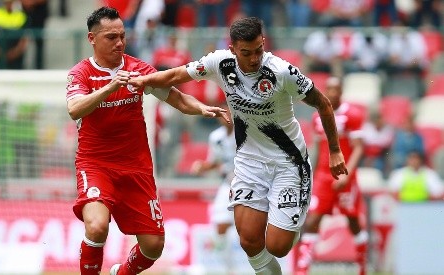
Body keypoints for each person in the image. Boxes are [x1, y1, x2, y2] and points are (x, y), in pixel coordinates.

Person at [129, 16, 348, 274]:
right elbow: (178, 74)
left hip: (288, 165)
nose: (254, 58)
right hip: (249, 163)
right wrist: (145, 80)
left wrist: (334, 150)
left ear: (263, 43)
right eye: (246, 53)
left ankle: (288, 218)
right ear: (232, 49)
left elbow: (323, 103)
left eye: (258, 51)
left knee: (278, 246)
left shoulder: (281, 71)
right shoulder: (219, 63)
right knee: (249, 240)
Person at [65, 7, 228, 275]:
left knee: (153, 245)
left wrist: (201, 108)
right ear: (91, 39)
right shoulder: (81, 73)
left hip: (136, 168)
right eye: (111, 37)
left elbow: (175, 97)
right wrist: (109, 87)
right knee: (96, 226)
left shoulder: (138, 70)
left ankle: (122, 273)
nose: (119, 42)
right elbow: (74, 109)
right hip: (96, 165)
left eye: (122, 36)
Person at [293, 76, 368, 275]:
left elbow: (359, 148)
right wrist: (309, 176)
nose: (333, 93)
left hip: (345, 176)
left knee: (352, 221)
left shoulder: (352, 115)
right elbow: (318, 149)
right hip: (323, 178)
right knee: (312, 221)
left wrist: (347, 175)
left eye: (336, 89)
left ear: (342, 91)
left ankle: (361, 265)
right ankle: (302, 269)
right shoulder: (318, 116)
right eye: (330, 89)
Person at [190, 103, 236, 271]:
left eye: (230, 113)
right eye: (224, 113)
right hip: (227, 185)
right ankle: (228, 269)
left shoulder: (246, 133)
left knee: (250, 227)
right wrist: (203, 166)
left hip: (250, 184)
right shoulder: (216, 137)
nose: (227, 116)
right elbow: (215, 162)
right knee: (220, 224)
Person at [0, 0, 29, 69]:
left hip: (16, 59)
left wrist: (14, 53)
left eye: (10, 2)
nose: (8, 4)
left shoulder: (21, 15)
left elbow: (24, 39)